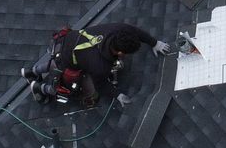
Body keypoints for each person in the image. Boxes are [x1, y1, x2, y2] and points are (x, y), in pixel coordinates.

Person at [22, 22, 171, 106]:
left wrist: (155, 43)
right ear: (120, 52)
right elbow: (101, 85)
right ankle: (41, 88)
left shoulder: (118, 29)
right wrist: (117, 94)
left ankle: (32, 71)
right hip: (65, 60)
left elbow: (134, 31)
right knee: (83, 93)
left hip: (65, 41)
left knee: (52, 62)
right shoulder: (100, 66)